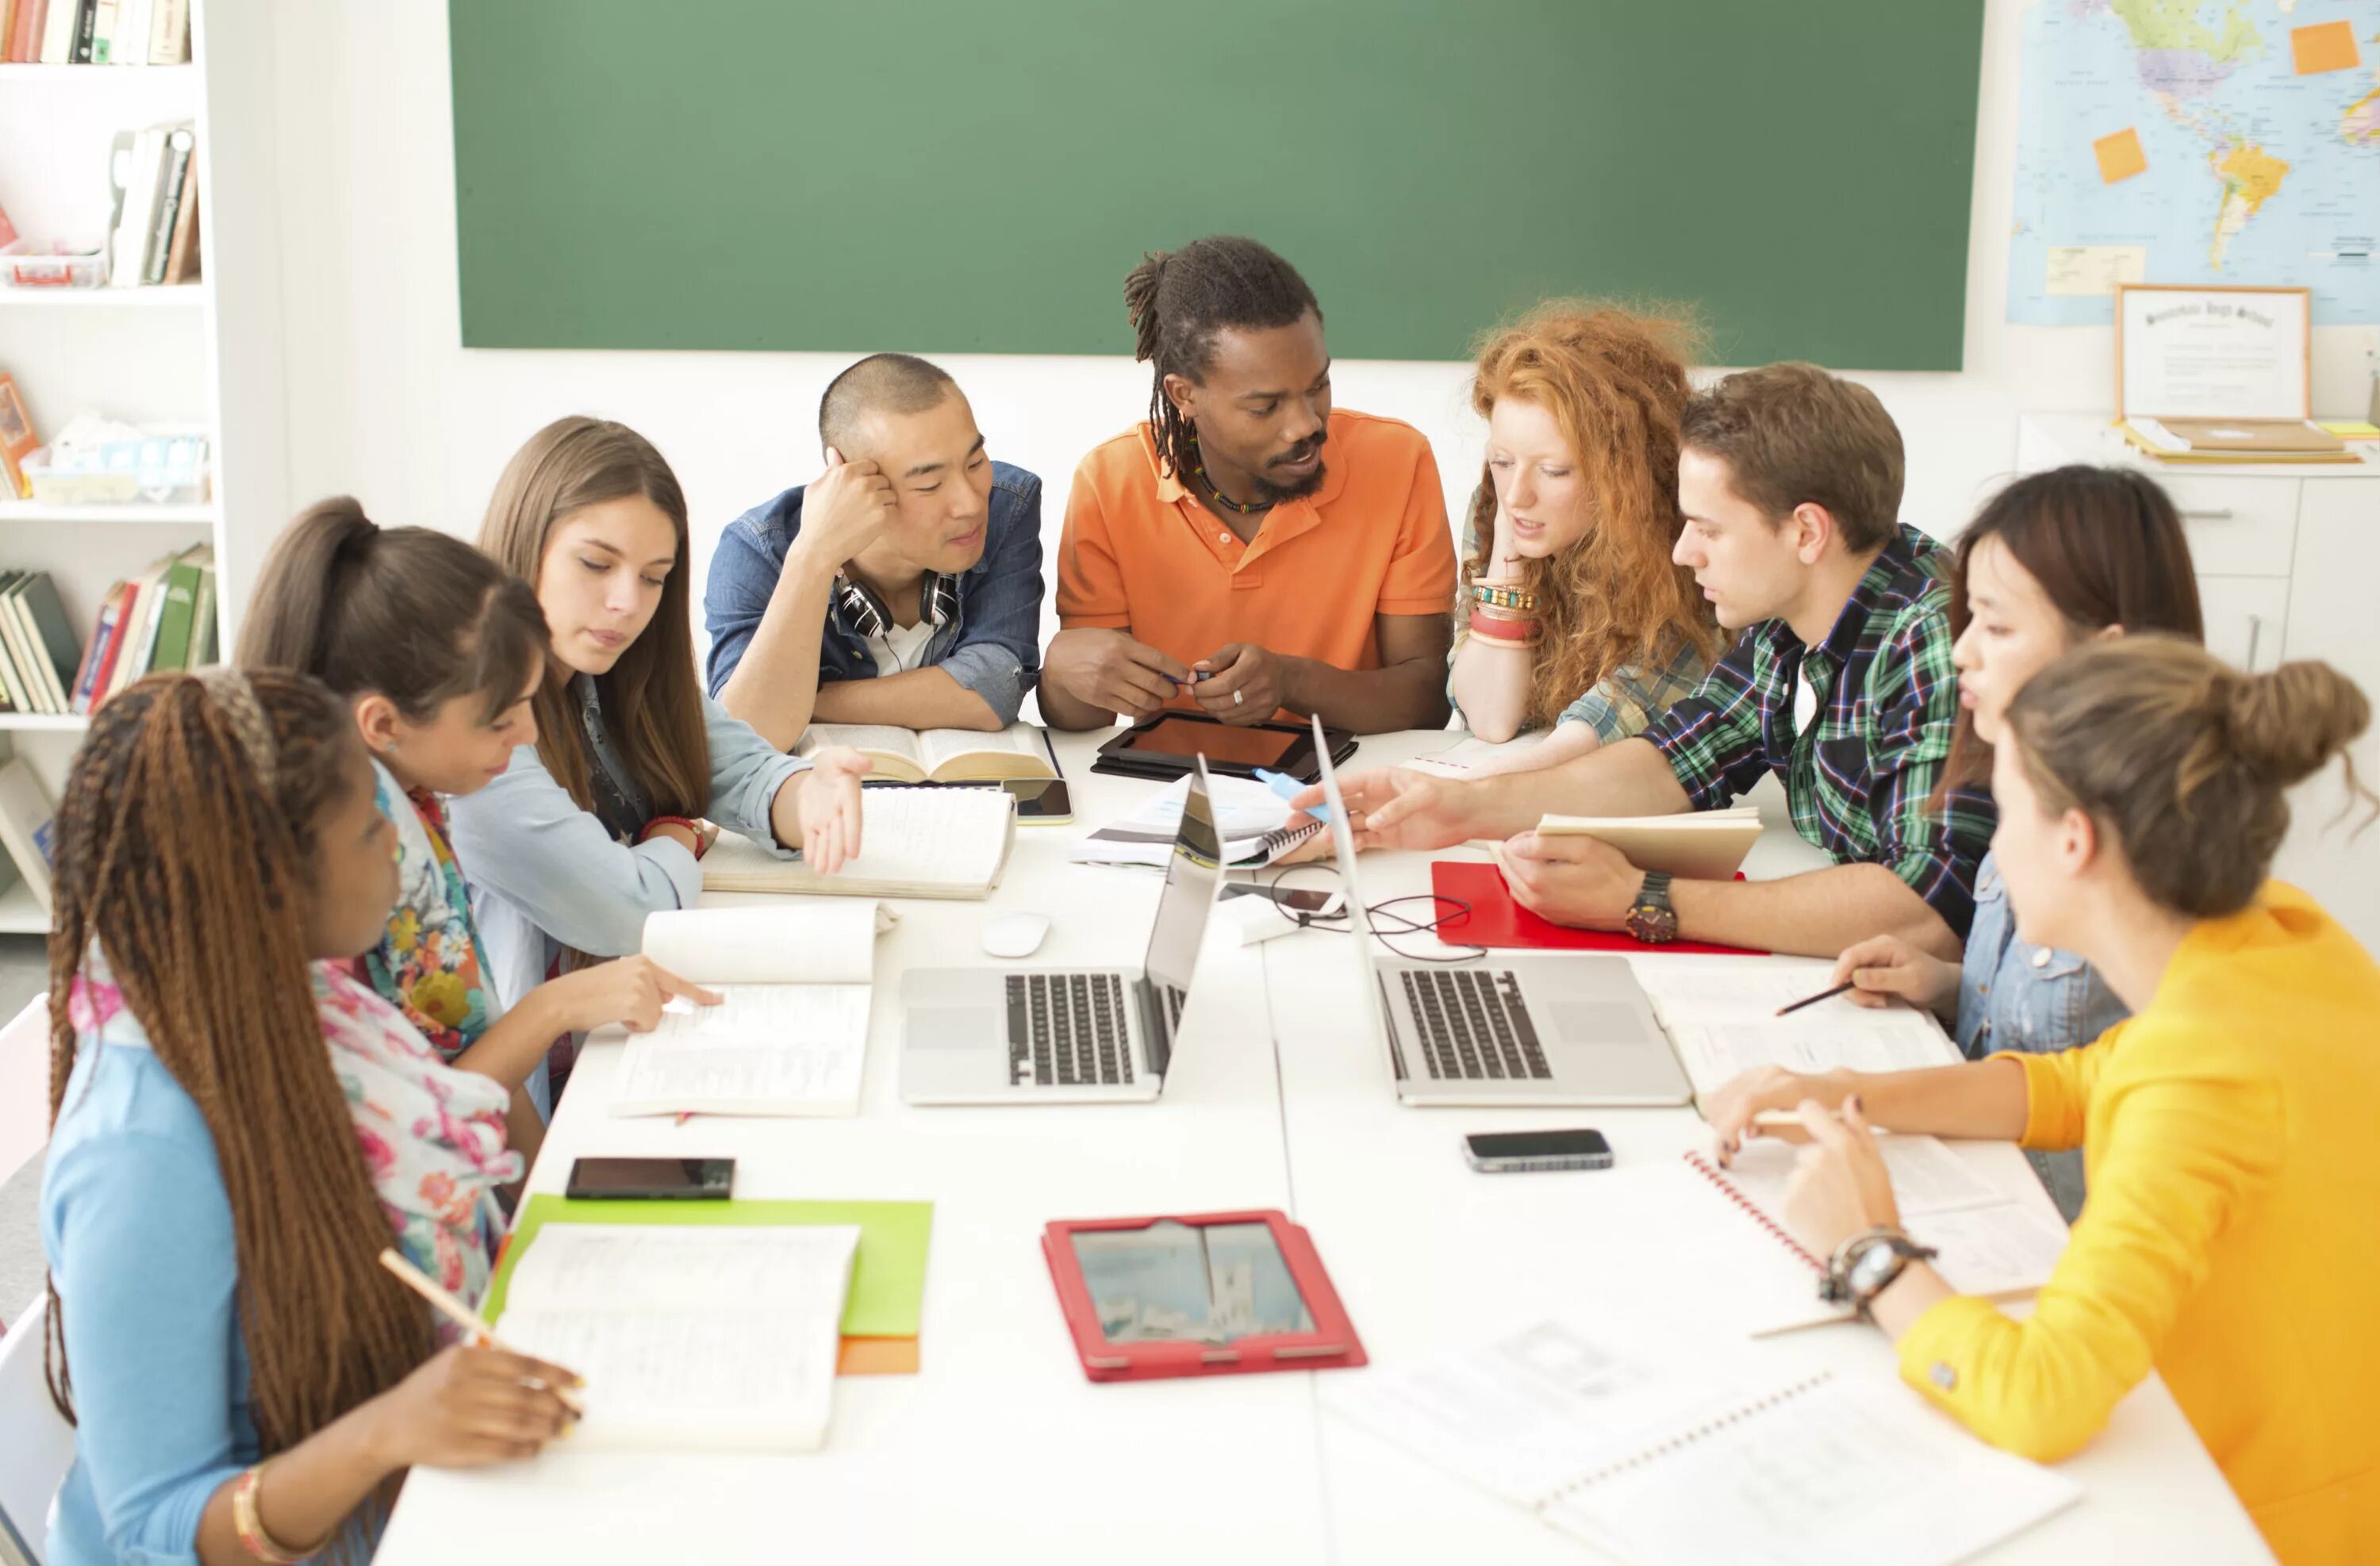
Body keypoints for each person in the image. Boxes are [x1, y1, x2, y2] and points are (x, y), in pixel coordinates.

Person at [1704, 638, 2380, 1561]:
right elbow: (2071, 1083)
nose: (1991, 840)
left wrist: (1870, 1251)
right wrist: (1844, 1089)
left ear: (2075, 841)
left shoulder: (2198, 1071)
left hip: (2245, 1519)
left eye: (2005, 808)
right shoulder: (2292, 941)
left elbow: (2042, 1396)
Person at [41, 670, 582, 1565]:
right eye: (372, 829)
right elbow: (156, 1529)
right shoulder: (138, 1154)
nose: (400, 856)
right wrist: (386, 1431)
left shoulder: (300, 996)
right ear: (273, 880)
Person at [1302, 363, 1992, 961]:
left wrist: (1642, 899)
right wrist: (1459, 807)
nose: (1682, 552)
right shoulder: (1792, 617)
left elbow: (1927, 911)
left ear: (1807, 531)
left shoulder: (1935, 641)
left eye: (1710, 529)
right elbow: (1675, 759)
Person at [237, 498, 724, 1156]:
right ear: (383, 725)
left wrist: (534, 1197)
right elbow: (410, 1125)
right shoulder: (375, 851)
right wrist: (555, 1008)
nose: (527, 735)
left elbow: (470, 1046)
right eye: (500, 719)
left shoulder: (415, 802)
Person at [1823, 466, 2204, 1220]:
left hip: (2062, 1235)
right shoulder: (2034, 792)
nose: (1959, 651)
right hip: (1984, 1185)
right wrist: (1943, 983)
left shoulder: (2157, 868)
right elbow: (2057, 1031)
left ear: (2105, 654)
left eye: (1995, 627)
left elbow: (2102, 1086)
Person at [451, 417, 869, 1103]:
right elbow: (631, 911)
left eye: (654, 578)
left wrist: (809, 798)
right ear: (525, 546)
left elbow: (740, 768)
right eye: (596, 565)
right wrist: (676, 835)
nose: (626, 603)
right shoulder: (481, 731)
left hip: (619, 1045)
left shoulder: (610, 672)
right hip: (519, 1109)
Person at [1042, 235, 1457, 734]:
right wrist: (1063, 672)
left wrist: (1290, 681)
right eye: (1265, 407)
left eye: (1318, 385)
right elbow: (1085, 720)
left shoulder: (1398, 462)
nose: (1306, 425)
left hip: (1349, 788)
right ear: (1184, 395)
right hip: (1169, 795)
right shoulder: (1110, 484)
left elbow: (1429, 700)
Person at [704, 353, 1045, 749]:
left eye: (974, 462)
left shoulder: (1009, 505)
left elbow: (994, 689)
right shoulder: (758, 550)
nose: (970, 504)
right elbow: (747, 733)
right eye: (929, 486)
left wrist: (806, 702)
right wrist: (813, 557)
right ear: (849, 479)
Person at [1445, 301, 1721, 773]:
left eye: (1554, 470)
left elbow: (1632, 703)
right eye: (1503, 460)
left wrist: (1501, 784)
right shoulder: (1498, 506)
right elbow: (1491, 716)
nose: (1517, 494)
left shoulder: (1691, 527)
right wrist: (1508, 553)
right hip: (1537, 784)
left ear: (1622, 473)